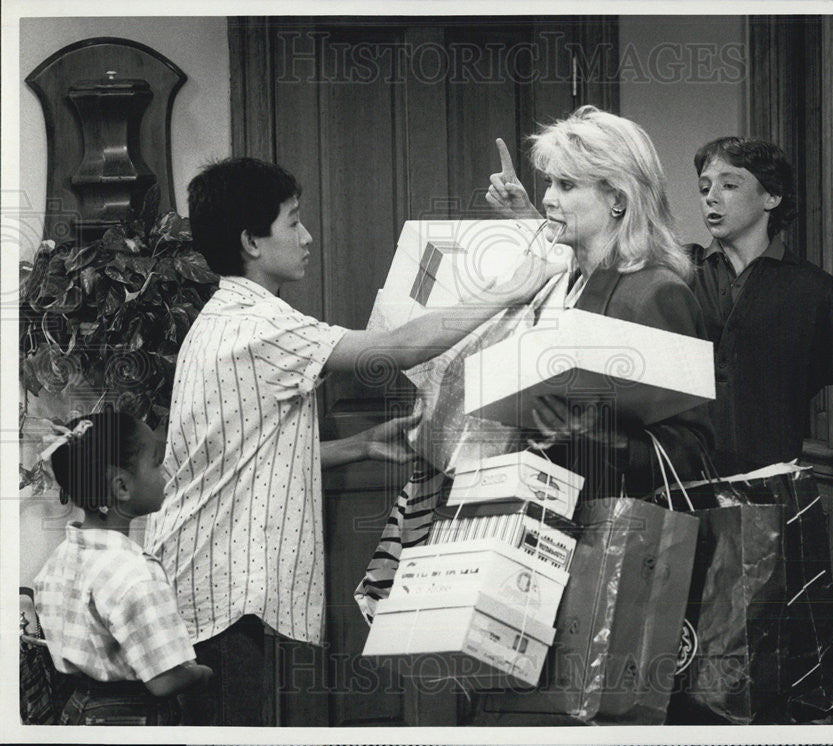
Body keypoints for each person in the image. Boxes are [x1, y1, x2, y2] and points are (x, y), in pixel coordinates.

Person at [142, 157, 559, 726]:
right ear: (251, 242)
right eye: (293, 223)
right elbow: (400, 348)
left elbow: (240, 457)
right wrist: (508, 291)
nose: (308, 236)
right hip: (219, 593)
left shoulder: (224, 317)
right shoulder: (257, 327)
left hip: (202, 581)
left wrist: (356, 447)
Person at [487, 134, 833, 475]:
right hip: (675, 487)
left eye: (729, 185)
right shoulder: (680, 271)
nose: (711, 197)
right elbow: (597, 266)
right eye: (704, 187)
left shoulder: (811, 292)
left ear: (771, 197)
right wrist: (534, 217)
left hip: (766, 492)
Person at [519, 105, 713, 496]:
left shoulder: (655, 294)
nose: (548, 200)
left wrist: (593, 435)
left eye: (567, 186)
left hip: (619, 538)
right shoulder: (562, 284)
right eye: (550, 184)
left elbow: (693, 456)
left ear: (618, 201)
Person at [32, 413, 212, 726]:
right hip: (130, 718)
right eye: (156, 462)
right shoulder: (135, 573)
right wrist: (202, 673)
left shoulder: (58, 560)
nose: (166, 472)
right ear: (121, 486)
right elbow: (164, 681)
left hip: (75, 710)